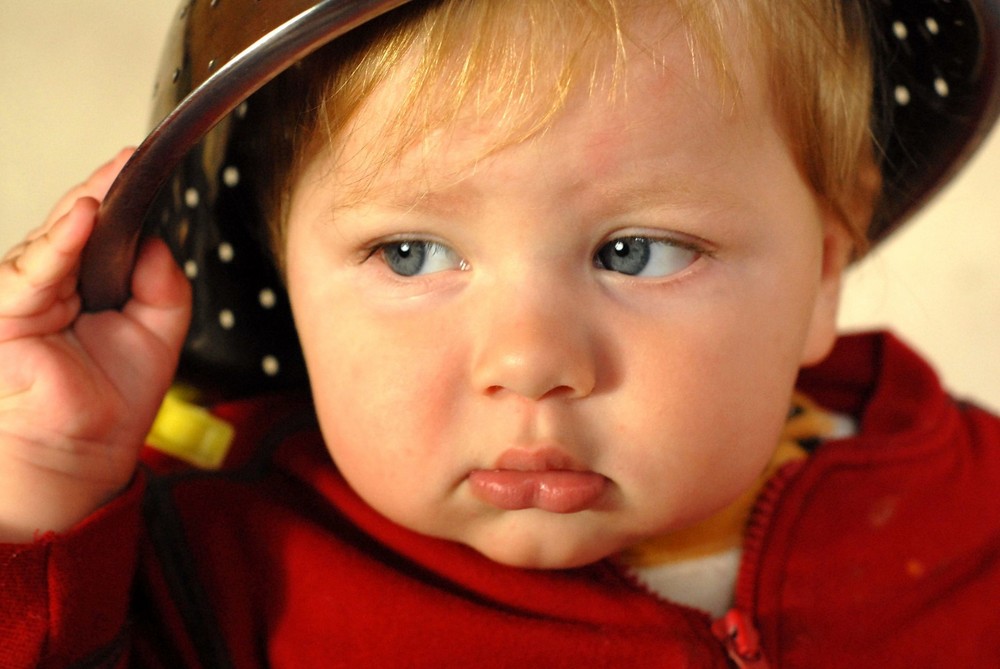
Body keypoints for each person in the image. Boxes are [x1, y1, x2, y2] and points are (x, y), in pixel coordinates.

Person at [1, 0, 999, 666]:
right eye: (410, 255)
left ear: (824, 265)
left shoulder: (972, 518)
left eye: (636, 252)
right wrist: (43, 479)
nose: (527, 362)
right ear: (281, 269)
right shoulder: (209, 576)